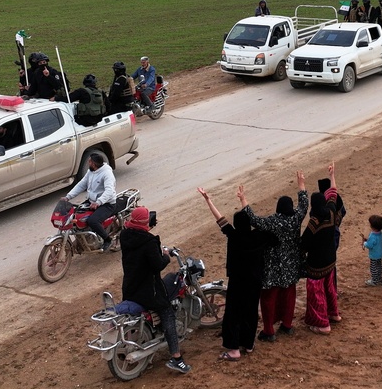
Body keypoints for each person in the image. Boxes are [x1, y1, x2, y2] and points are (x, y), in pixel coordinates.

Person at [198, 186, 279, 361]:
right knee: (250, 312)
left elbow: (219, 218)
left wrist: (208, 200)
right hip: (255, 281)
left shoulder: (233, 236)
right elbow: (266, 229)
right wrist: (244, 200)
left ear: (236, 224)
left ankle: (234, 350)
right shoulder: (260, 236)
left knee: (234, 314)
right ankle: (248, 344)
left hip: (238, 281)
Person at [119, 206, 191, 373]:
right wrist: (165, 255)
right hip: (148, 291)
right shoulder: (149, 242)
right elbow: (157, 265)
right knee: (167, 314)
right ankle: (176, 357)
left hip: (130, 287)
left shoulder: (124, 235)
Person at [243, 172, 308, 342]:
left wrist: (243, 201)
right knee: (289, 294)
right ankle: (287, 325)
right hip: (291, 264)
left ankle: (269, 330)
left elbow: (253, 220)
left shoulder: (271, 222)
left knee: (268, 298)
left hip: (272, 265)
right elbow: (303, 206)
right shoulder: (295, 219)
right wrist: (301, 185)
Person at [302, 163, 341, 334]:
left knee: (316, 294)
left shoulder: (313, 223)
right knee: (330, 288)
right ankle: (334, 314)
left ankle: (322, 324)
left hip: (317, 264)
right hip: (331, 260)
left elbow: (304, 244)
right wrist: (332, 175)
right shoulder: (331, 212)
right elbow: (333, 193)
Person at [62, 152, 116, 252]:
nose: (88, 162)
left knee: (92, 221)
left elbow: (110, 191)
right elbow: (82, 184)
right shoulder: (91, 171)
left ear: (94, 164)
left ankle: (108, 240)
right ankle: (82, 238)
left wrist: (99, 202)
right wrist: (68, 197)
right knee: (74, 216)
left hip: (106, 204)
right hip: (91, 201)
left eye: (90, 161)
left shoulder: (107, 173)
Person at [361, 215, 382, 286]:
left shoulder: (372, 235)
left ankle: (374, 281)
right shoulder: (380, 233)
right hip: (379, 254)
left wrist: (364, 243)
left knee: (373, 268)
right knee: (379, 267)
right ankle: (379, 278)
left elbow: (369, 245)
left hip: (374, 255)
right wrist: (368, 240)